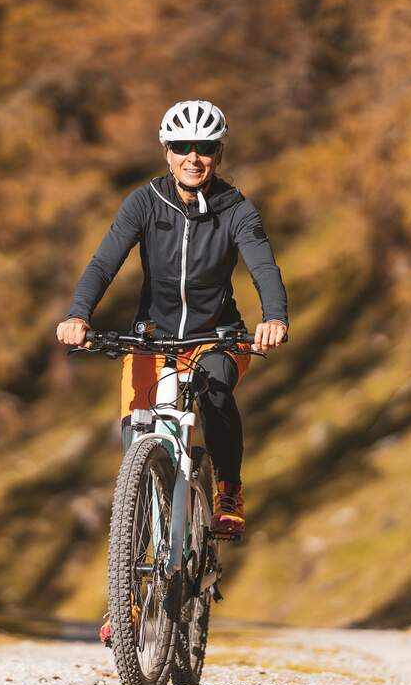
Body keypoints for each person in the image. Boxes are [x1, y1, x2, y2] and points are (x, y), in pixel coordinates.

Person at [57, 99, 289, 538]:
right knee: (134, 439)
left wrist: (274, 317)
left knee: (217, 394)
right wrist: (78, 314)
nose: (192, 157)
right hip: (152, 340)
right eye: (182, 146)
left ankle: (228, 490)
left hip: (216, 337)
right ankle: (128, 590)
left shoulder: (236, 209)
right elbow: (104, 263)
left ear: (218, 153)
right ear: (167, 151)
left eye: (203, 147)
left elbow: (263, 267)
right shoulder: (145, 202)